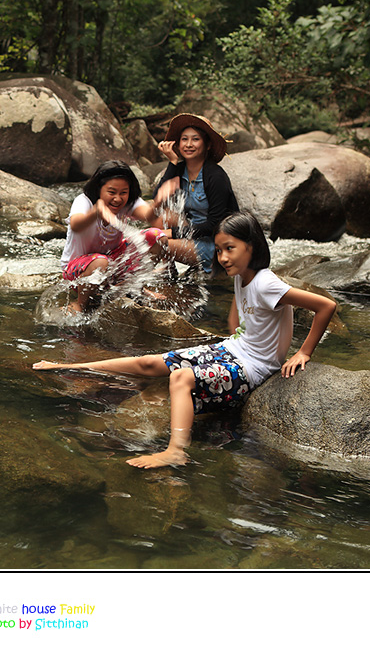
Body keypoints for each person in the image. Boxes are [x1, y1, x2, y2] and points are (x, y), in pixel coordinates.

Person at [35, 211, 337, 469]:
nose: (223, 257)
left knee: (181, 378)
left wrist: (303, 352)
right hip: (233, 349)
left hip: (254, 369)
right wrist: (235, 330)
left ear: (252, 246)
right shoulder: (241, 275)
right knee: (150, 362)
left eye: (230, 248)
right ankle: (75, 367)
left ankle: (176, 451)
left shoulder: (267, 283)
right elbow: (239, 315)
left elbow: (326, 306)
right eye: (219, 250)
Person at [59, 160, 167, 313]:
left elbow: (150, 217)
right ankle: (82, 304)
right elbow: (76, 224)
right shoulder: (84, 201)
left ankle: (133, 287)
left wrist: (159, 201)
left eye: (123, 193)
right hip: (78, 272)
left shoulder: (128, 203)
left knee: (157, 237)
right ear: (99, 189)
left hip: (112, 266)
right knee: (100, 261)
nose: (117, 199)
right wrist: (96, 211)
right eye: (111, 192)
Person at [152, 113, 239, 275]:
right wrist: (172, 162)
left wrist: (173, 233)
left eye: (195, 139)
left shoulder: (216, 176)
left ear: (207, 145)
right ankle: (168, 270)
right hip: (191, 233)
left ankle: (137, 280)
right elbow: (158, 199)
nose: (189, 144)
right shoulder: (179, 170)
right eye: (184, 139)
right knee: (161, 216)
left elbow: (215, 224)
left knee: (158, 243)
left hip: (216, 244)